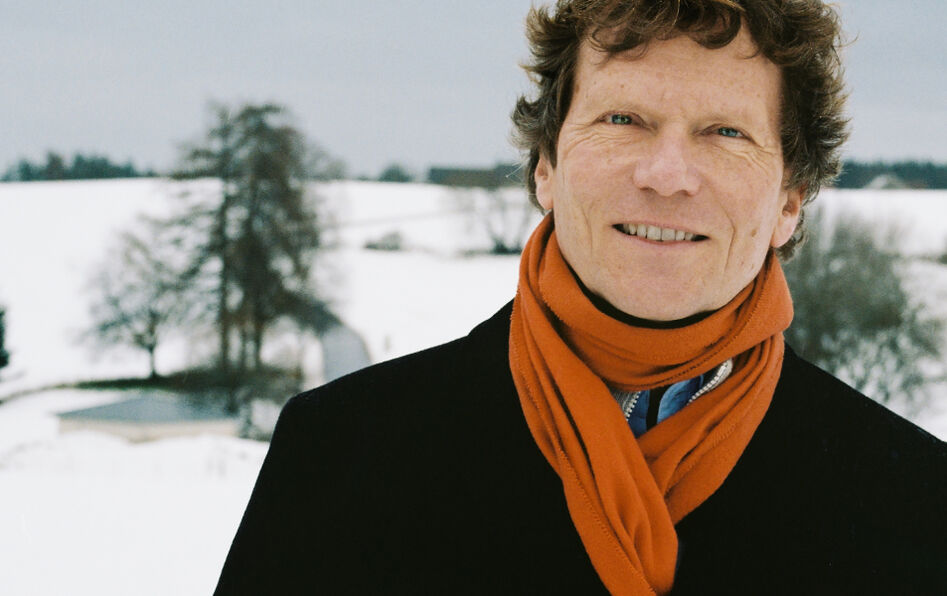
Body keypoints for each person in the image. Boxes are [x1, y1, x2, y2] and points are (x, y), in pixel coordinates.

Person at [214, 1, 946, 594]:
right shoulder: (341, 456)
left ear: (789, 199)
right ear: (545, 165)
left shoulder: (913, 502)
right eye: (622, 119)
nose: (666, 175)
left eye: (725, 132)